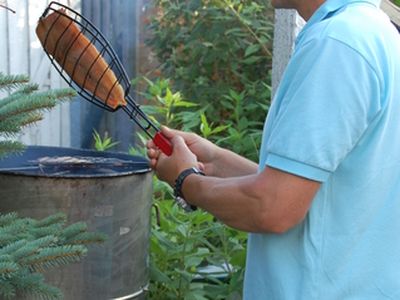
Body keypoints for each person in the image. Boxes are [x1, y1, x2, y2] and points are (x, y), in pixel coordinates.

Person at [147, 0, 400, 298]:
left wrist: (185, 180)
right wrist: (213, 160)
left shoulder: (337, 45)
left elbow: (273, 208)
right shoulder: (373, 32)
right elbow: (308, 196)